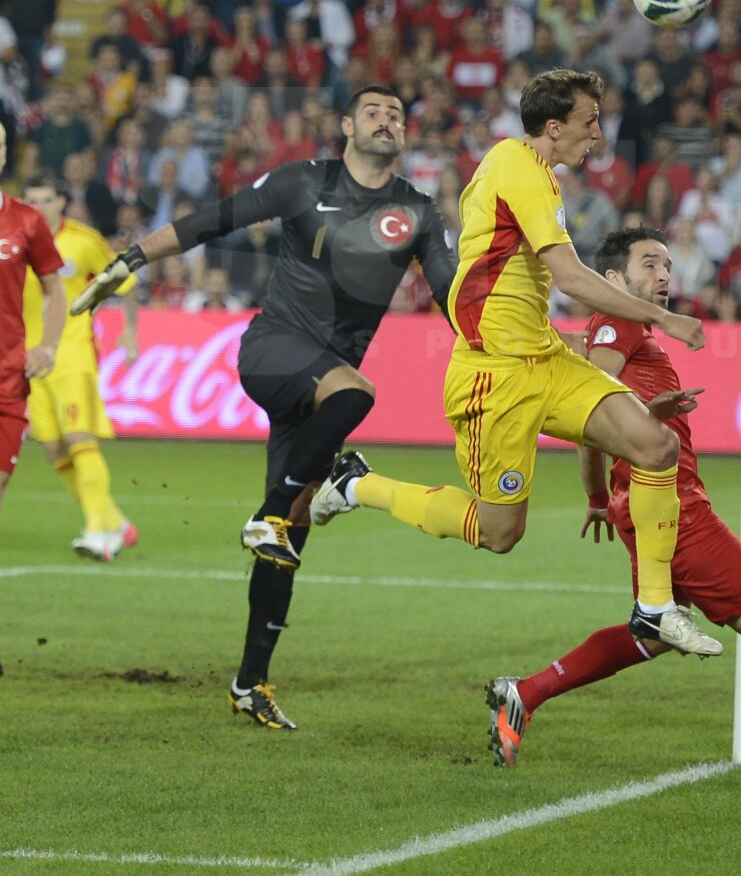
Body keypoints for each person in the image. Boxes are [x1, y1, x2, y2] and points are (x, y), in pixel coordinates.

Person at [73, 85, 458, 730]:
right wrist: (132, 258)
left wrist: (492, 329)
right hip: (276, 351)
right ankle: (275, 510)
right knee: (355, 398)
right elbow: (212, 221)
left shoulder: (417, 210)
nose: (387, 120)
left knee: (289, 541)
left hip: (320, 388)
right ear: (345, 126)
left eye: (396, 114)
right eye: (374, 111)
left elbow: (448, 289)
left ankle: (250, 683)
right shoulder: (301, 182)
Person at [309, 70, 720, 657]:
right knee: (500, 533)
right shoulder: (516, 167)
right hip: (493, 376)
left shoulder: (536, 174)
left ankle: (654, 608)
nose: (598, 136)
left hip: (544, 358)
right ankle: (357, 485)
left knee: (656, 446)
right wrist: (666, 319)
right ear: (554, 128)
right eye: (589, 123)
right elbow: (573, 277)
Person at [484, 227, 741, 786]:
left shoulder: (622, 332)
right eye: (649, 264)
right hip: (671, 506)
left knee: (650, 634)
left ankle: (525, 692)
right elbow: (587, 411)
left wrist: (597, 496)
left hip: (648, 503)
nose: (664, 275)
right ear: (614, 280)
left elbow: (593, 421)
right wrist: (640, 429)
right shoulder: (621, 322)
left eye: (666, 266)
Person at [21, 173, 139, 560]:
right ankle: (114, 521)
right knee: (54, 451)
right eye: (32, 200)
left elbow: (125, 277)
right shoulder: (13, 241)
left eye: (46, 200)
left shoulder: (83, 241)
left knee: (79, 440)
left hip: (72, 355)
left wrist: (131, 331)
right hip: (30, 362)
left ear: (61, 202)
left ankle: (98, 532)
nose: (39, 208)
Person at [0, 129, 67, 513]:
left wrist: (49, 345)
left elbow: (54, 289)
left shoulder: (26, 220)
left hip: (8, 374)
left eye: (1, 146)